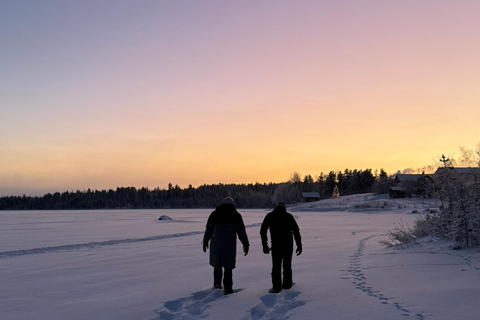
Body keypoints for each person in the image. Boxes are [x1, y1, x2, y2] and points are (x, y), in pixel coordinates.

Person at [203, 196, 249, 294]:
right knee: (228, 269)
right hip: (229, 246)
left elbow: (209, 229)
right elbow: (241, 232)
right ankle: (228, 289)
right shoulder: (236, 215)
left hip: (216, 245)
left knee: (217, 266)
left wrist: (205, 241)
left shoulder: (214, 214)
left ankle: (217, 286)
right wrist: (246, 244)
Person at [260, 202, 302, 293]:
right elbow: (296, 231)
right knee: (287, 266)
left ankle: (276, 287)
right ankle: (287, 286)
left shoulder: (270, 216)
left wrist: (264, 244)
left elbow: (263, 230)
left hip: (276, 245)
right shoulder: (288, 216)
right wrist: (299, 245)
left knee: (276, 267)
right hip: (288, 245)